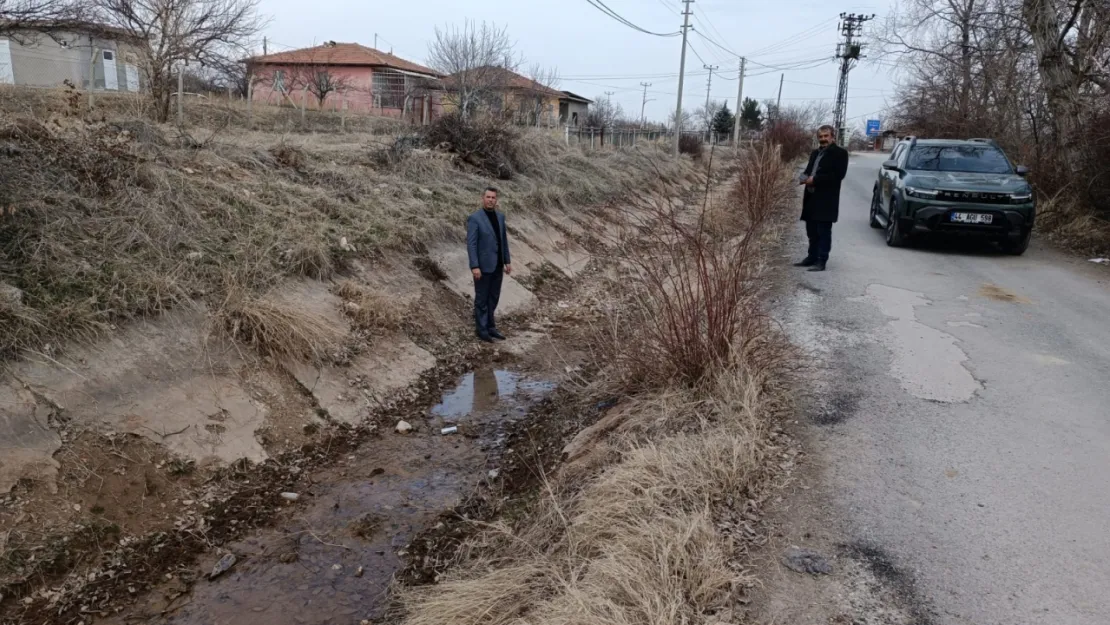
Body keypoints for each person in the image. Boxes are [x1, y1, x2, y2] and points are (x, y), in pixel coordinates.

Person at [796, 125, 849, 272]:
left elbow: (838, 175)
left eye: (826, 136)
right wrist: (803, 178)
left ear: (833, 137)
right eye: (821, 137)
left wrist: (815, 180)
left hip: (826, 198)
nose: (823, 139)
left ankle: (821, 260)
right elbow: (808, 170)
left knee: (823, 231)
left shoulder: (840, 153)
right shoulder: (815, 153)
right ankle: (811, 257)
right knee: (811, 230)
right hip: (811, 196)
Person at [467, 187, 513, 342]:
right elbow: (471, 244)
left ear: (496, 200)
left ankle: (491, 327)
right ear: (482, 198)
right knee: (482, 299)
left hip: (498, 265)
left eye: (493, 197)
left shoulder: (500, 217)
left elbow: (503, 240)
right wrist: (474, 266)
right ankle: (482, 329)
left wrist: (507, 260)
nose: (491, 200)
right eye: (488, 197)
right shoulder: (475, 218)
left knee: (493, 297)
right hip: (483, 266)